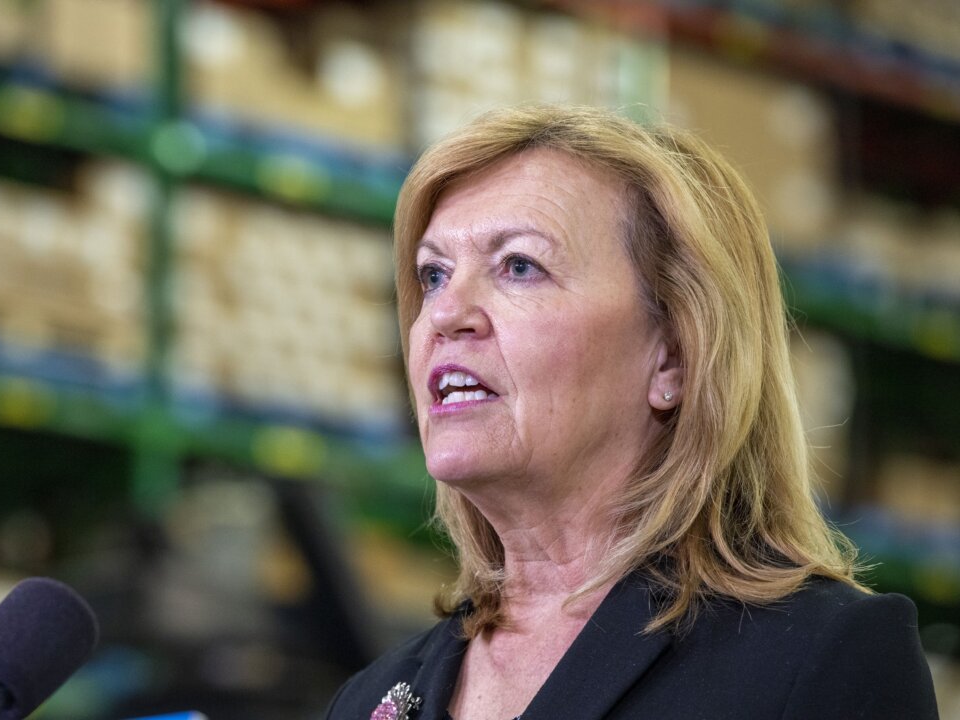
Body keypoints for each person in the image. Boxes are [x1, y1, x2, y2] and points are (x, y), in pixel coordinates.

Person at [324, 104, 938, 720]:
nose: (444, 315)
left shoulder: (824, 657)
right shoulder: (366, 700)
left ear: (672, 355)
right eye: (432, 275)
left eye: (519, 266)